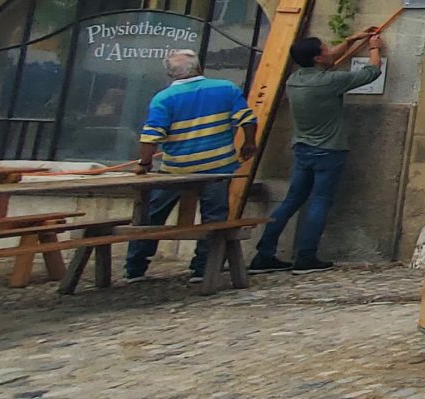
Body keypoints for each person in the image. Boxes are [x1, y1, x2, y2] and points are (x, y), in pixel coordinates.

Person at [251, 29, 385, 271]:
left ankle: (264, 253)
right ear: (317, 58)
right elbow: (372, 72)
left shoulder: (294, 80)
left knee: (291, 201)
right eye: (324, 49)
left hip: (303, 148)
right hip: (329, 150)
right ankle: (306, 256)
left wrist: (351, 40)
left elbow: (330, 58)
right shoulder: (330, 81)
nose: (328, 51)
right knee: (320, 201)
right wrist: (374, 47)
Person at [124, 49, 256, 283]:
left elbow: (150, 137)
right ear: (198, 67)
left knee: (152, 215)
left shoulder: (163, 98)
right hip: (218, 166)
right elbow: (248, 119)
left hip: (177, 168)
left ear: (170, 74)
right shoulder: (225, 88)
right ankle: (203, 268)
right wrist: (248, 143)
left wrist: (144, 164)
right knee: (214, 217)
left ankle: (135, 267)